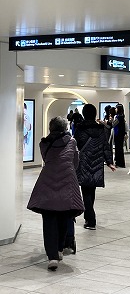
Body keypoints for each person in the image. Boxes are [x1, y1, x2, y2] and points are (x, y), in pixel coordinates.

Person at [27, 116, 84, 271]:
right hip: (67, 182)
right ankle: (59, 250)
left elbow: (46, 159)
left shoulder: (44, 143)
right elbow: (75, 161)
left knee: (49, 219)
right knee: (64, 216)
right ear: (65, 128)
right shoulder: (71, 142)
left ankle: (52, 256)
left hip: (47, 181)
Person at [74, 104, 116, 230]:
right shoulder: (101, 129)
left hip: (84, 162)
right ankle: (89, 217)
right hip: (97, 162)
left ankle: (90, 219)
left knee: (85, 191)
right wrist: (109, 162)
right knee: (91, 190)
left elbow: (75, 146)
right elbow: (105, 146)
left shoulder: (80, 129)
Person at [112, 103, 128, 168]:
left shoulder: (119, 117)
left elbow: (113, 124)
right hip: (120, 135)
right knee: (120, 149)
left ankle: (119, 163)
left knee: (118, 149)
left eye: (116, 108)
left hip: (118, 135)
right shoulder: (122, 116)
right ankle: (120, 163)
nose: (115, 109)